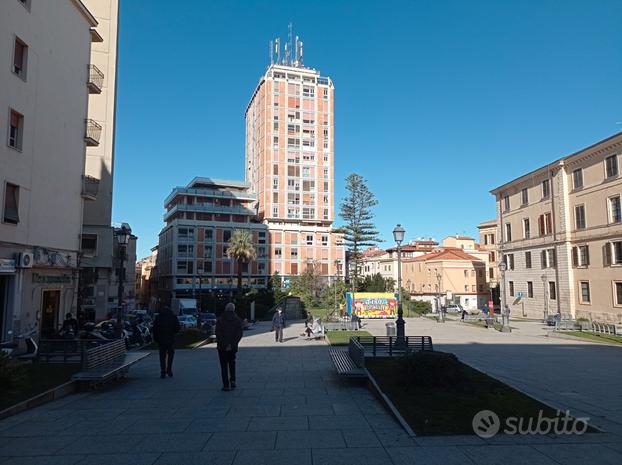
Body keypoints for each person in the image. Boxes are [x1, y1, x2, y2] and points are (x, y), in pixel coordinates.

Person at [215, 303, 243, 391]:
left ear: (226, 309)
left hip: (222, 347)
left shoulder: (220, 319)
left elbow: (218, 334)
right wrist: (231, 345)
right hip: (233, 347)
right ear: (234, 310)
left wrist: (225, 344)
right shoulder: (237, 320)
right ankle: (233, 380)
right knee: (232, 363)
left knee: (223, 366)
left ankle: (226, 385)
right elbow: (239, 334)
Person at [152, 307, 180, 378]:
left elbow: (154, 329)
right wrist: (173, 332)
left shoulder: (158, 317)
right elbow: (177, 328)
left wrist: (156, 338)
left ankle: (163, 371)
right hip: (170, 339)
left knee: (162, 356)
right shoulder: (173, 316)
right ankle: (169, 370)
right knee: (171, 355)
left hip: (161, 340)